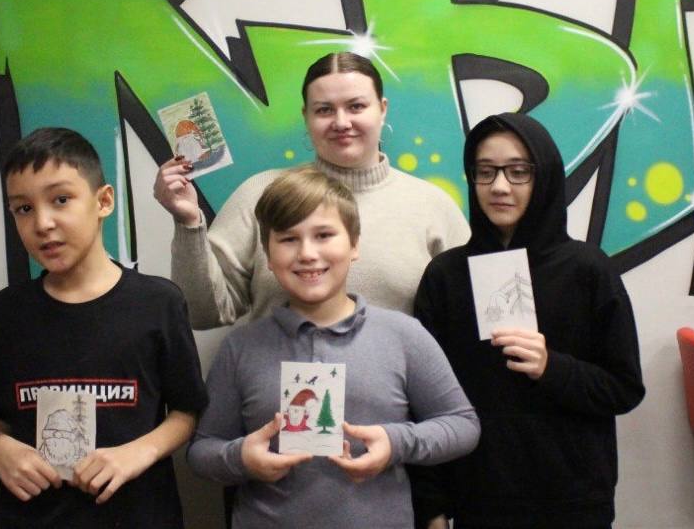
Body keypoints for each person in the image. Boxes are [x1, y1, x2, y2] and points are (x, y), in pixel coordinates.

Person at [187, 167, 480, 528]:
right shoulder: (241, 348)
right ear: (268, 254)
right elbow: (201, 451)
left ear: (354, 245)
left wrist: (396, 442)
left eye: (324, 235)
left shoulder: (404, 336)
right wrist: (240, 458)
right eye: (288, 239)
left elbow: (463, 425)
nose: (308, 253)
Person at [0, 127, 208, 528]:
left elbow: (187, 410)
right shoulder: (4, 314)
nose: (42, 223)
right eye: (23, 209)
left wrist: (139, 452)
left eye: (61, 200)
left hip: (138, 515)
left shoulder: (157, 303)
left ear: (103, 201)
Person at [413, 113, 645, 528]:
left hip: (573, 501)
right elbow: (425, 402)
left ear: (545, 177)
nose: (500, 186)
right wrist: (432, 506)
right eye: (486, 172)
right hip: (479, 500)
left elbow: (624, 389)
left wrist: (552, 367)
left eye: (518, 171)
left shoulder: (589, 270)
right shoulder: (445, 276)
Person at [154, 51, 470, 328]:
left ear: (382, 109)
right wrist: (188, 223)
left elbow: (469, 315)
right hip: (275, 377)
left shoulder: (433, 206)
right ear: (306, 116)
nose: (341, 122)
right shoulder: (262, 194)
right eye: (324, 110)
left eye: (356, 106)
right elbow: (201, 314)